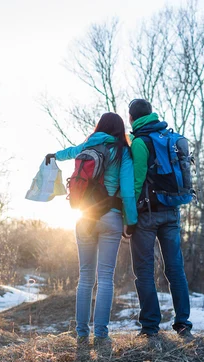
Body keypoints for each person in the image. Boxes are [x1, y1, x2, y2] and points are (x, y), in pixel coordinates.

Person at [45, 112, 137, 347]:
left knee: (85, 278)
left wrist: (55, 155)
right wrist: (131, 220)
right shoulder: (123, 151)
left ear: (100, 127)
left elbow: (71, 152)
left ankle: (81, 333)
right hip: (111, 218)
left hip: (84, 217)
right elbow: (127, 190)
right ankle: (102, 335)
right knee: (105, 278)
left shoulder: (89, 145)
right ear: (119, 129)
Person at [128, 99, 193, 339]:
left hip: (147, 215)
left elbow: (136, 182)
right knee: (175, 269)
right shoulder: (169, 137)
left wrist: (130, 217)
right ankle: (183, 323)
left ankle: (150, 328)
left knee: (144, 271)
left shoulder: (140, 142)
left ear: (132, 118)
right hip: (172, 211)